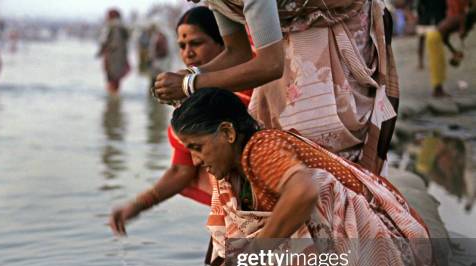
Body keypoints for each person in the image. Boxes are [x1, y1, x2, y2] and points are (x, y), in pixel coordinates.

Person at [140, 88, 436, 266]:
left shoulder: (261, 147)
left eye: (197, 148)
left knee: (311, 192)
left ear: (229, 133)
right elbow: (238, 265)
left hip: (398, 257)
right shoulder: (232, 178)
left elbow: (305, 194)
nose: (195, 161)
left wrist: (257, 255)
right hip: (363, 256)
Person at [153, 0, 399, 175]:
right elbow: (237, 52)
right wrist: (193, 74)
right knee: (269, 138)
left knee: (322, 139)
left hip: (336, 26)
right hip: (288, 46)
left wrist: (189, 84)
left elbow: (271, 65)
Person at [109, 6, 249, 235]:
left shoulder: (256, 91)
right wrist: (136, 206)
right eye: (182, 46)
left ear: (225, 44)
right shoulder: (192, 102)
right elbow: (181, 170)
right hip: (230, 212)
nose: (188, 53)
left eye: (196, 43)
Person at [425, 4, 475, 97]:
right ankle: (437, 91)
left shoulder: (459, 18)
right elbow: (461, 33)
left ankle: (438, 89)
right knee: (437, 65)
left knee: (439, 64)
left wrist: (454, 51)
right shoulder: (463, 18)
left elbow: (445, 39)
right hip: (434, 37)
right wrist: (463, 35)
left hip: (434, 37)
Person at [97, 9, 131, 94]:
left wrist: (102, 51)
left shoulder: (112, 27)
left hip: (112, 59)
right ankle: (114, 103)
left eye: (108, 16)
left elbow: (108, 43)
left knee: (112, 80)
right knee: (116, 81)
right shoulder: (122, 27)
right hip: (120, 58)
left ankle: (112, 102)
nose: (106, 17)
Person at [415, 0, 447, 69]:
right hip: (435, 19)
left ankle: (421, 62)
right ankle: (423, 62)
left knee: (422, 41)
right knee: (438, 40)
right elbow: (444, 7)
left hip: (427, 18)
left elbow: (419, 7)